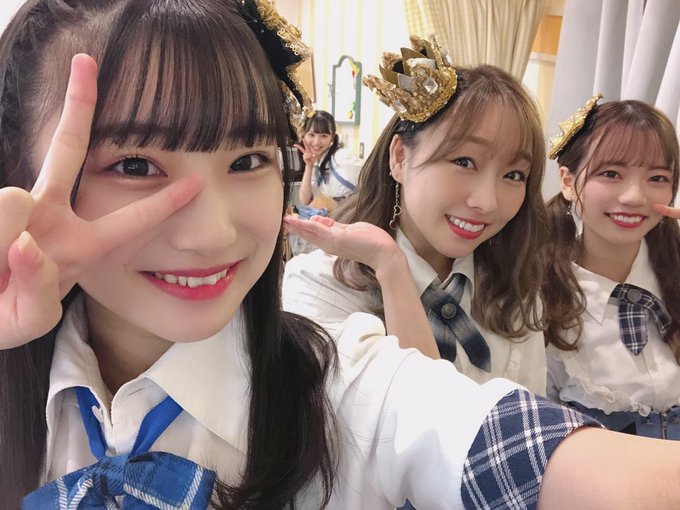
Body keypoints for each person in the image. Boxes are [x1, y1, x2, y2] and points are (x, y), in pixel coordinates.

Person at [1, 2, 680, 509]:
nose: (211, 234)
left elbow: (504, 440)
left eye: (248, 159)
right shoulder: (319, 283)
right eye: (135, 165)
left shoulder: (340, 383)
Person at [283, 37, 549, 395]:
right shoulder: (320, 284)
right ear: (400, 157)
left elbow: (534, 413)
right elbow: (415, 416)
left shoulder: (514, 290)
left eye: (514, 175)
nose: (487, 202)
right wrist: (390, 267)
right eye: (464, 161)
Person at [542, 94, 680, 439]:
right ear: (568, 182)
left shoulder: (675, 270)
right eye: (611, 174)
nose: (634, 197)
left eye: (657, 178)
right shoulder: (539, 292)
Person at [294, 110, 362, 209]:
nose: (316, 142)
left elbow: (374, 182)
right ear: (304, 134)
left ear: (332, 138)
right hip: (342, 213)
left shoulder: (342, 158)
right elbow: (305, 200)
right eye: (311, 135)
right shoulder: (316, 163)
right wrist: (309, 166)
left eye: (324, 136)